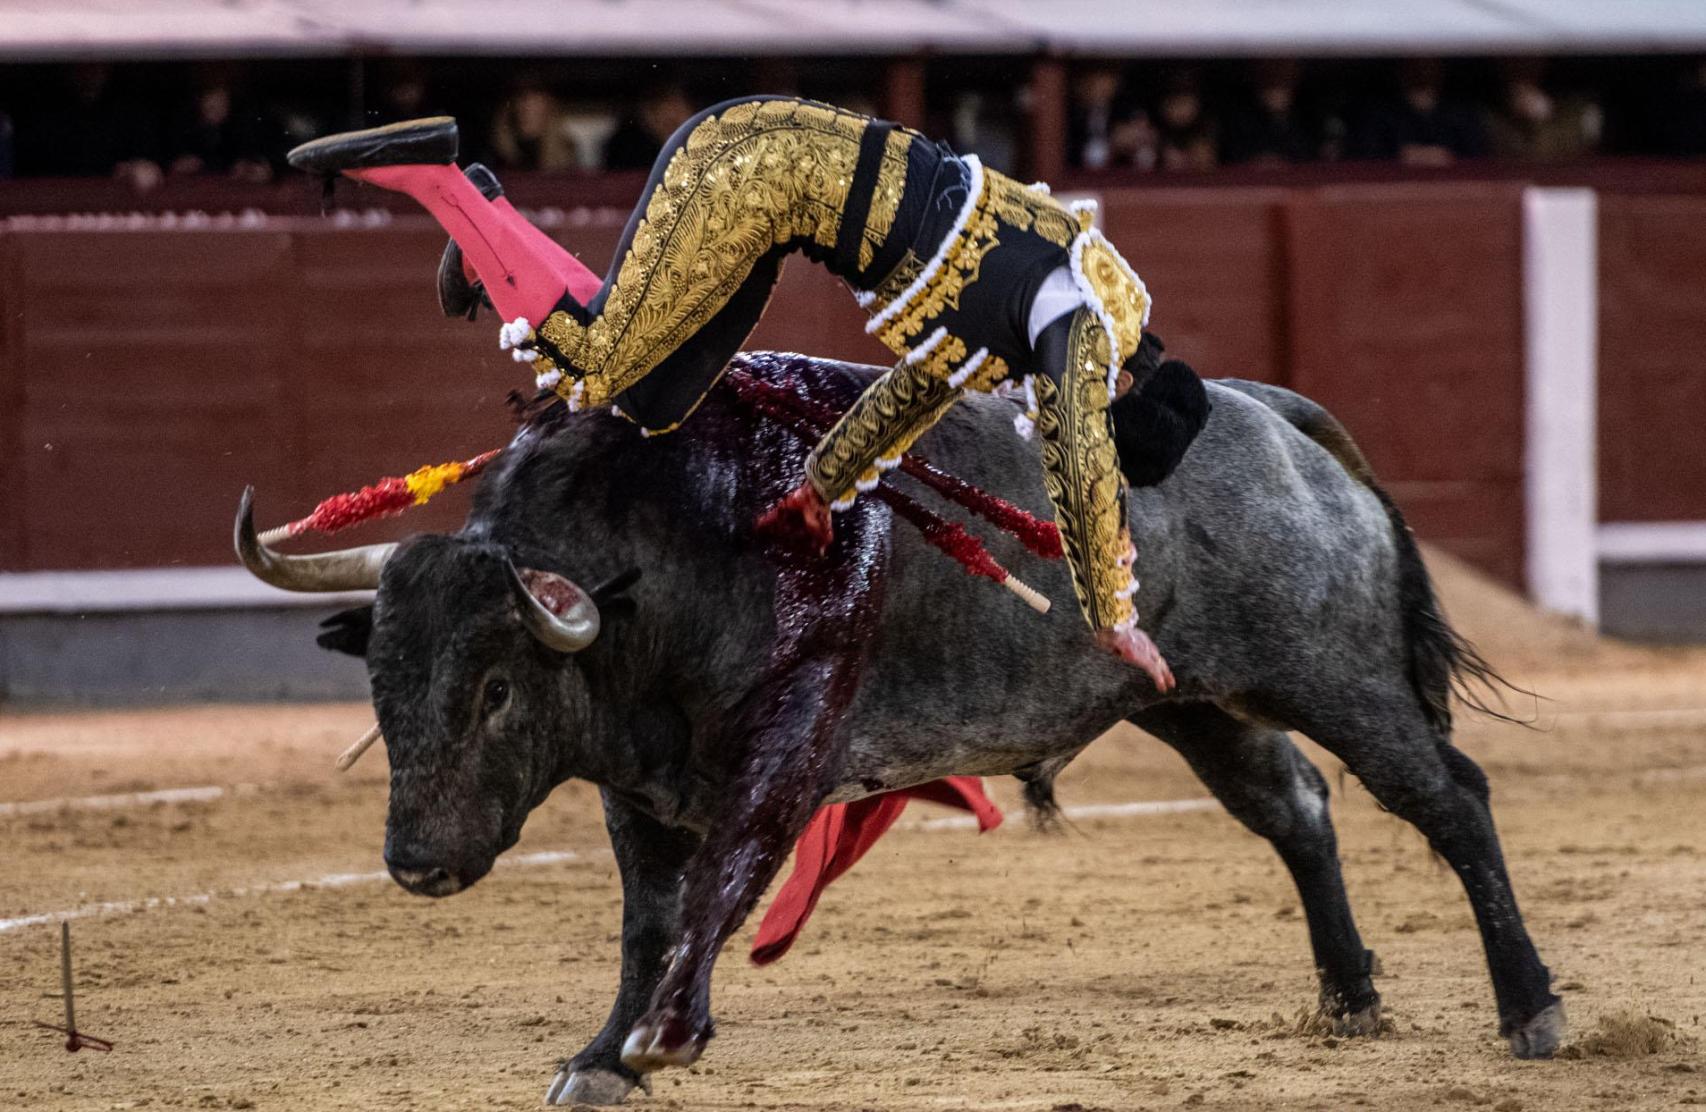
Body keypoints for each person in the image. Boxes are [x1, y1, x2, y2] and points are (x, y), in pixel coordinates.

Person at [285, 97, 1173, 686]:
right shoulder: (1081, 322)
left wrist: (820, 489)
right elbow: (1080, 452)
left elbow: (915, 392)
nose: (1078, 404)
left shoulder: (1031, 306)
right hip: (755, 169)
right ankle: (444, 180)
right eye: (1106, 409)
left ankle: (488, 222)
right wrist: (1111, 614)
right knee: (596, 363)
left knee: (650, 395)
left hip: (771, 189)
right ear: (1124, 383)